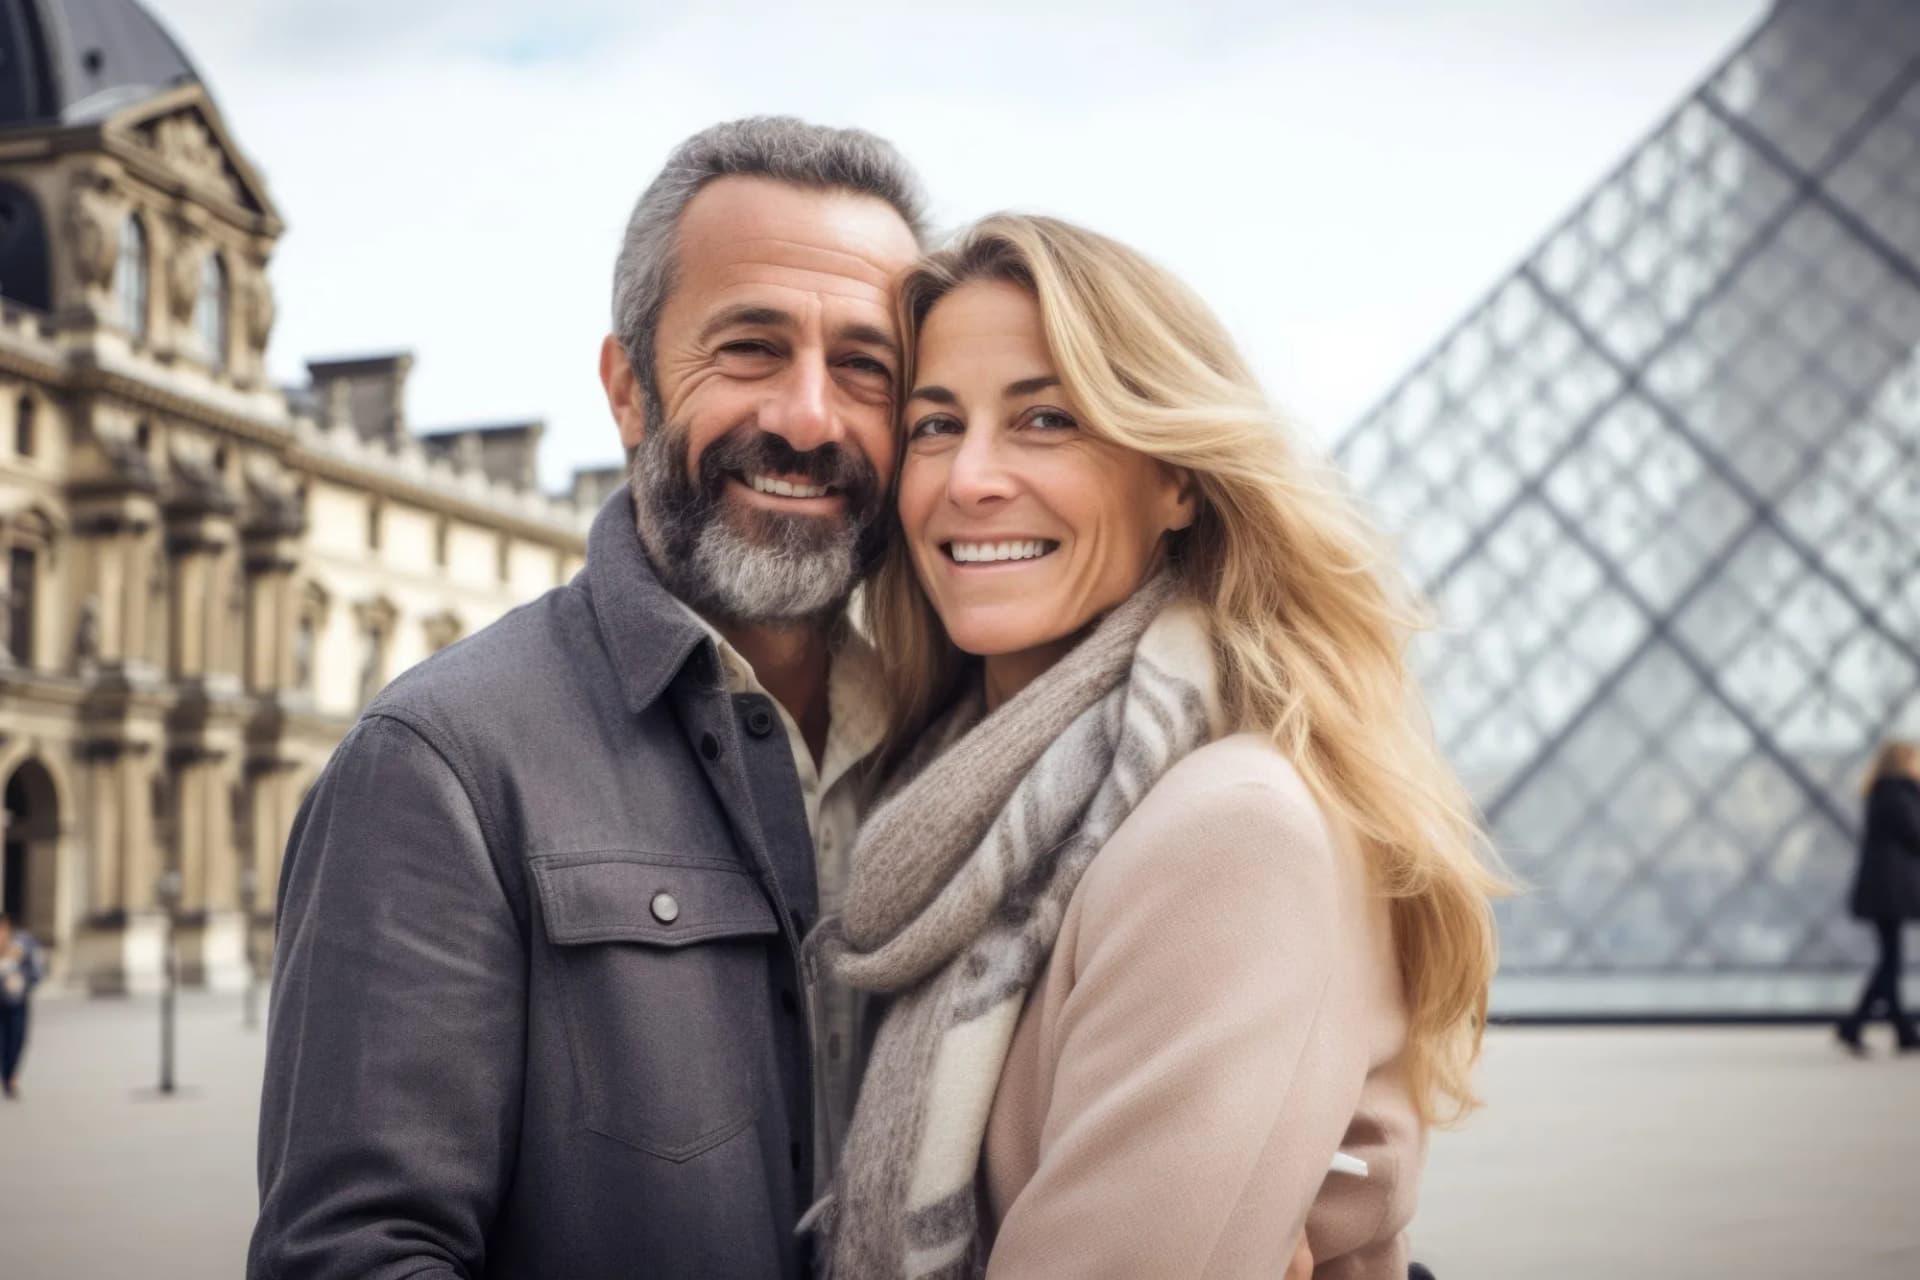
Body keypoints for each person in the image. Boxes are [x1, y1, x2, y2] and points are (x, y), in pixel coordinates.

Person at [249, 117, 924, 1279]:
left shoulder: (963, 735)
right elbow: (354, 1254)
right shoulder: (440, 761)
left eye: (864, 365)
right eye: (751, 347)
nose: (809, 417)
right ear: (628, 387)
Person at [814, 216, 1505, 1279]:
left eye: (1046, 417)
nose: (971, 479)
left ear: (1177, 478)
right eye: (936, 425)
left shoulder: (1229, 830)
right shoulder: (947, 793)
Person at [1837, 739, 1920, 1055]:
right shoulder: (1899, 793)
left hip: (1882, 888)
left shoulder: (1883, 791)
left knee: (1890, 960)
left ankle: (1898, 1030)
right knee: (1890, 962)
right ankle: (1858, 1024)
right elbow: (1916, 835)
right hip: (1891, 890)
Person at [0, 911, 45, 1099]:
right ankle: (7, 1077)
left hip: (18, 1001)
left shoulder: (23, 943)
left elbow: (37, 968)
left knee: (17, 1039)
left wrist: (25, 983)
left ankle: (11, 1074)